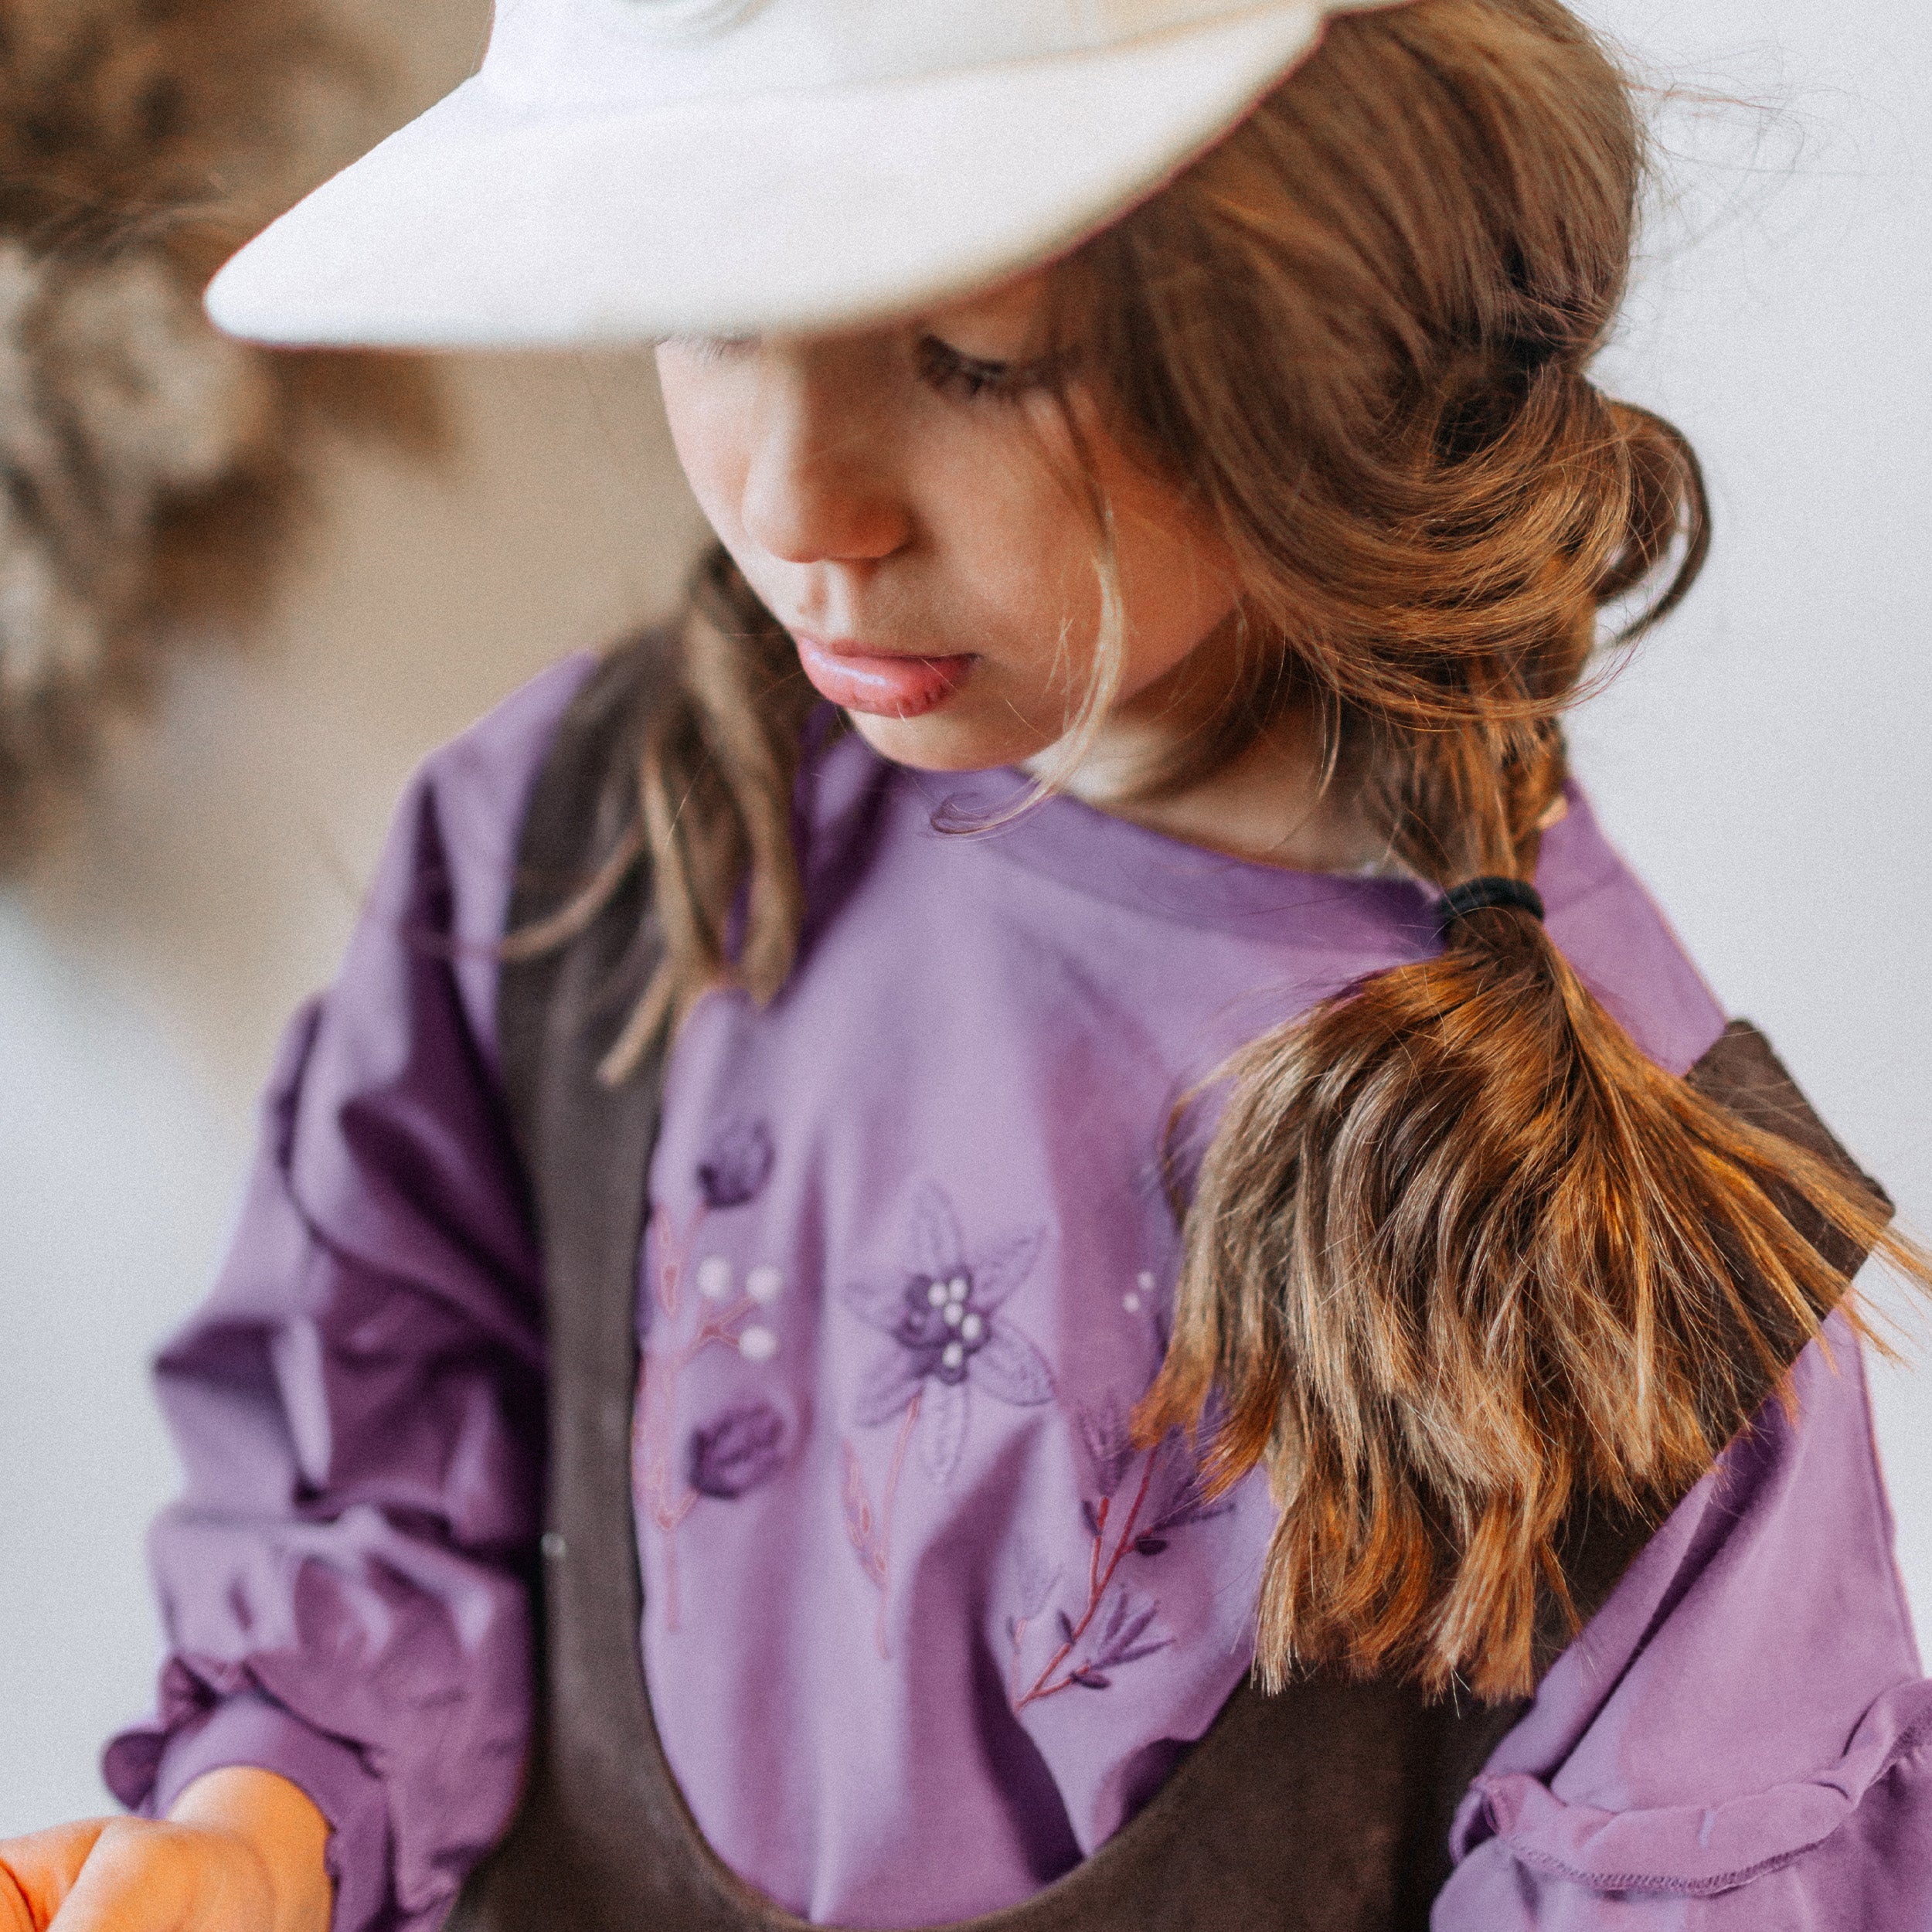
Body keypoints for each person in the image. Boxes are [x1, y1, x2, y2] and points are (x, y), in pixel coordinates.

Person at [4, 0, 1929, 1927]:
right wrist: (258, 1827)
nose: (794, 504)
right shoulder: (593, 840)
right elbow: (380, 1441)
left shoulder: (1615, 1258)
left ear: (1352, 312)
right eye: (711, 312)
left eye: (974, 358)